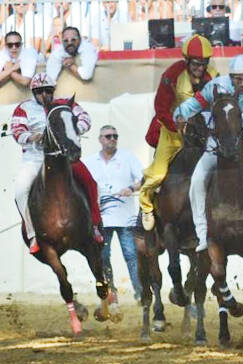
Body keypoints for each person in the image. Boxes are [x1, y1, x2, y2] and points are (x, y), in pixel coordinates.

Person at [174, 54, 243, 252]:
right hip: (217, 148)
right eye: (237, 79)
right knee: (197, 181)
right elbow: (193, 104)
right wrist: (180, 114)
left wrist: (242, 129)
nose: (242, 83)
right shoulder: (215, 86)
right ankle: (202, 233)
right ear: (230, 77)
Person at [10, 72, 104, 254]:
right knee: (20, 191)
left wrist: (73, 129)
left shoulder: (65, 104)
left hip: (64, 157)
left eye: (47, 90)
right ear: (33, 92)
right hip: (35, 159)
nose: (43, 95)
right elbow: (17, 130)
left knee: (91, 183)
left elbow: (85, 118)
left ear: (53, 90)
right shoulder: (24, 108)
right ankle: (32, 235)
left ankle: (94, 225)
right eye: (39, 91)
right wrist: (31, 137)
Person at [139, 34, 219, 231]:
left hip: (202, 133)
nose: (200, 69)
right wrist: (176, 126)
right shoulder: (172, 74)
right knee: (158, 173)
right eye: (196, 64)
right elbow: (161, 107)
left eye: (203, 64)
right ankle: (147, 206)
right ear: (187, 61)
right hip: (172, 132)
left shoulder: (213, 76)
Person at [82, 125, 143, 301]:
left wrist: (131, 188)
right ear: (100, 139)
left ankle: (140, 293)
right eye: (108, 136)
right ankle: (111, 293)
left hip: (126, 218)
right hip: (101, 219)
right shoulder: (89, 162)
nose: (112, 139)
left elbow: (143, 178)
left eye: (115, 136)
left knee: (132, 255)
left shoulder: (128, 157)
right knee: (103, 256)